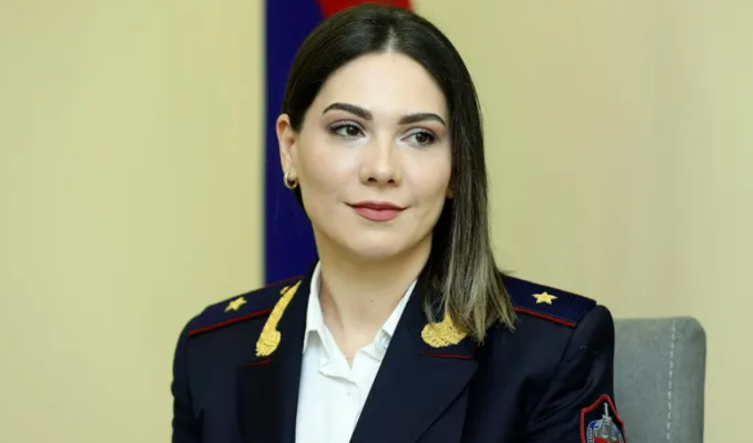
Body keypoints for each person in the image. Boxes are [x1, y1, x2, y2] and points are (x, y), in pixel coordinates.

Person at [171, 4, 626, 443]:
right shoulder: (213, 351)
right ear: (290, 148)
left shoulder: (548, 350)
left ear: (457, 167)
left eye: (420, 136)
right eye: (349, 129)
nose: (382, 169)